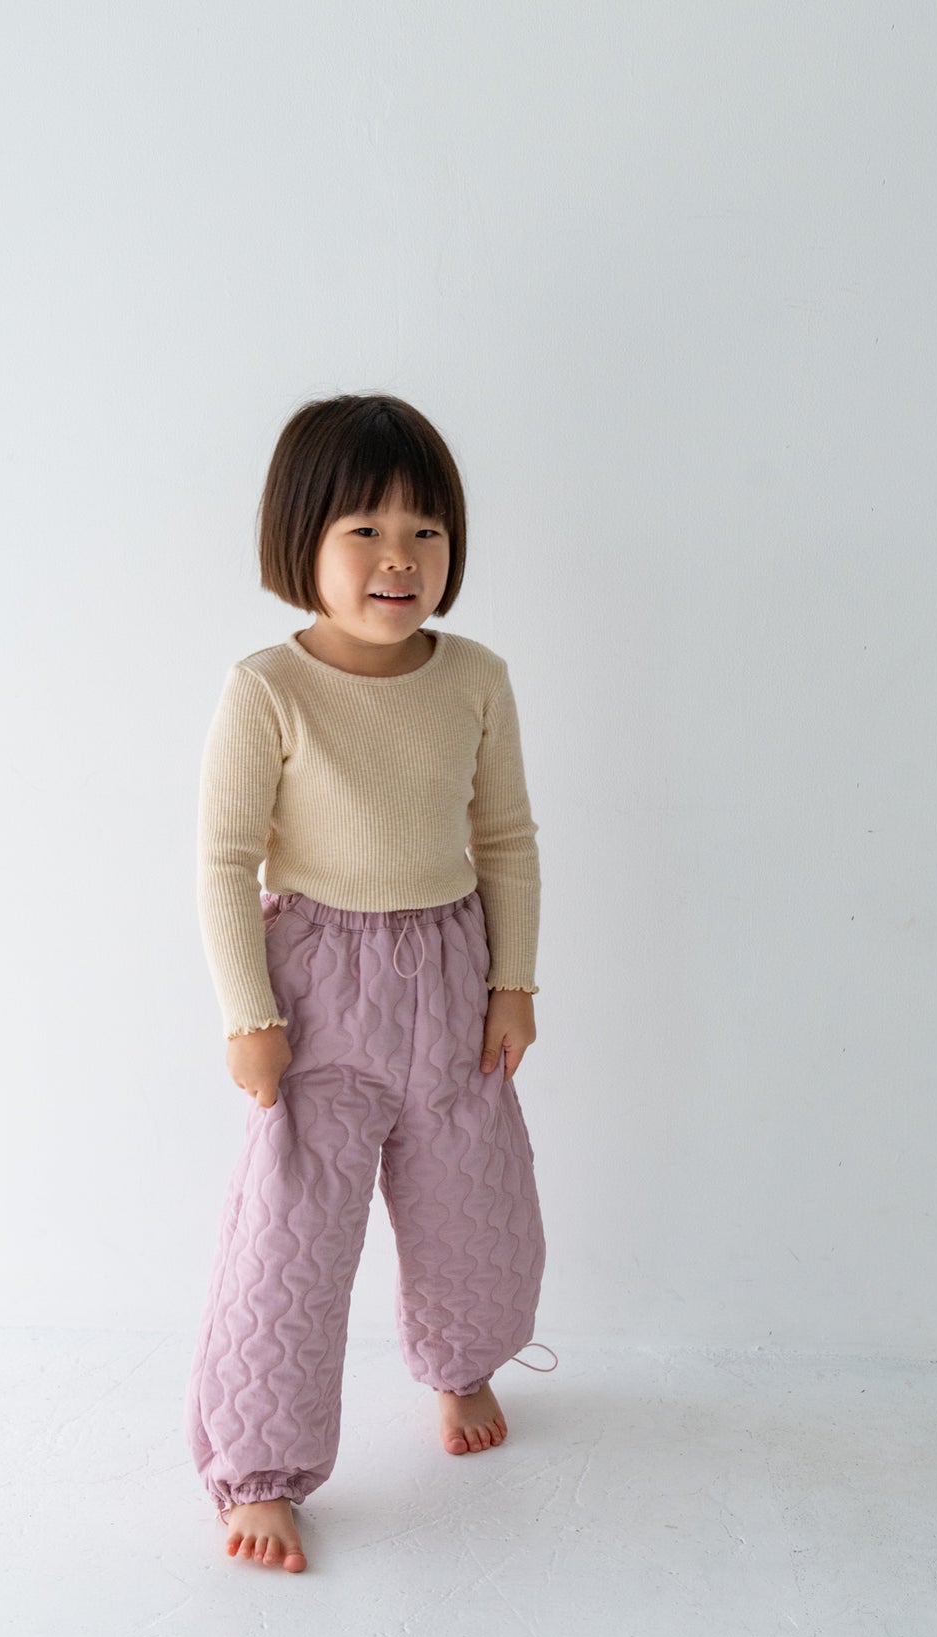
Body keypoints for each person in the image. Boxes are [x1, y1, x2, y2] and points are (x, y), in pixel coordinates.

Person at [184, 392, 557, 1574]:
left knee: (474, 1202)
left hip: (451, 978)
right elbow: (223, 860)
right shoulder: (268, 688)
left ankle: (464, 1364)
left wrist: (512, 982)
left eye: (425, 532)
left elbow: (505, 840)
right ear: (301, 542)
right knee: (292, 1238)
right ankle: (262, 1470)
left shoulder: (476, 677)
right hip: (317, 992)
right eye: (365, 531)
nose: (400, 559)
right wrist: (249, 1015)